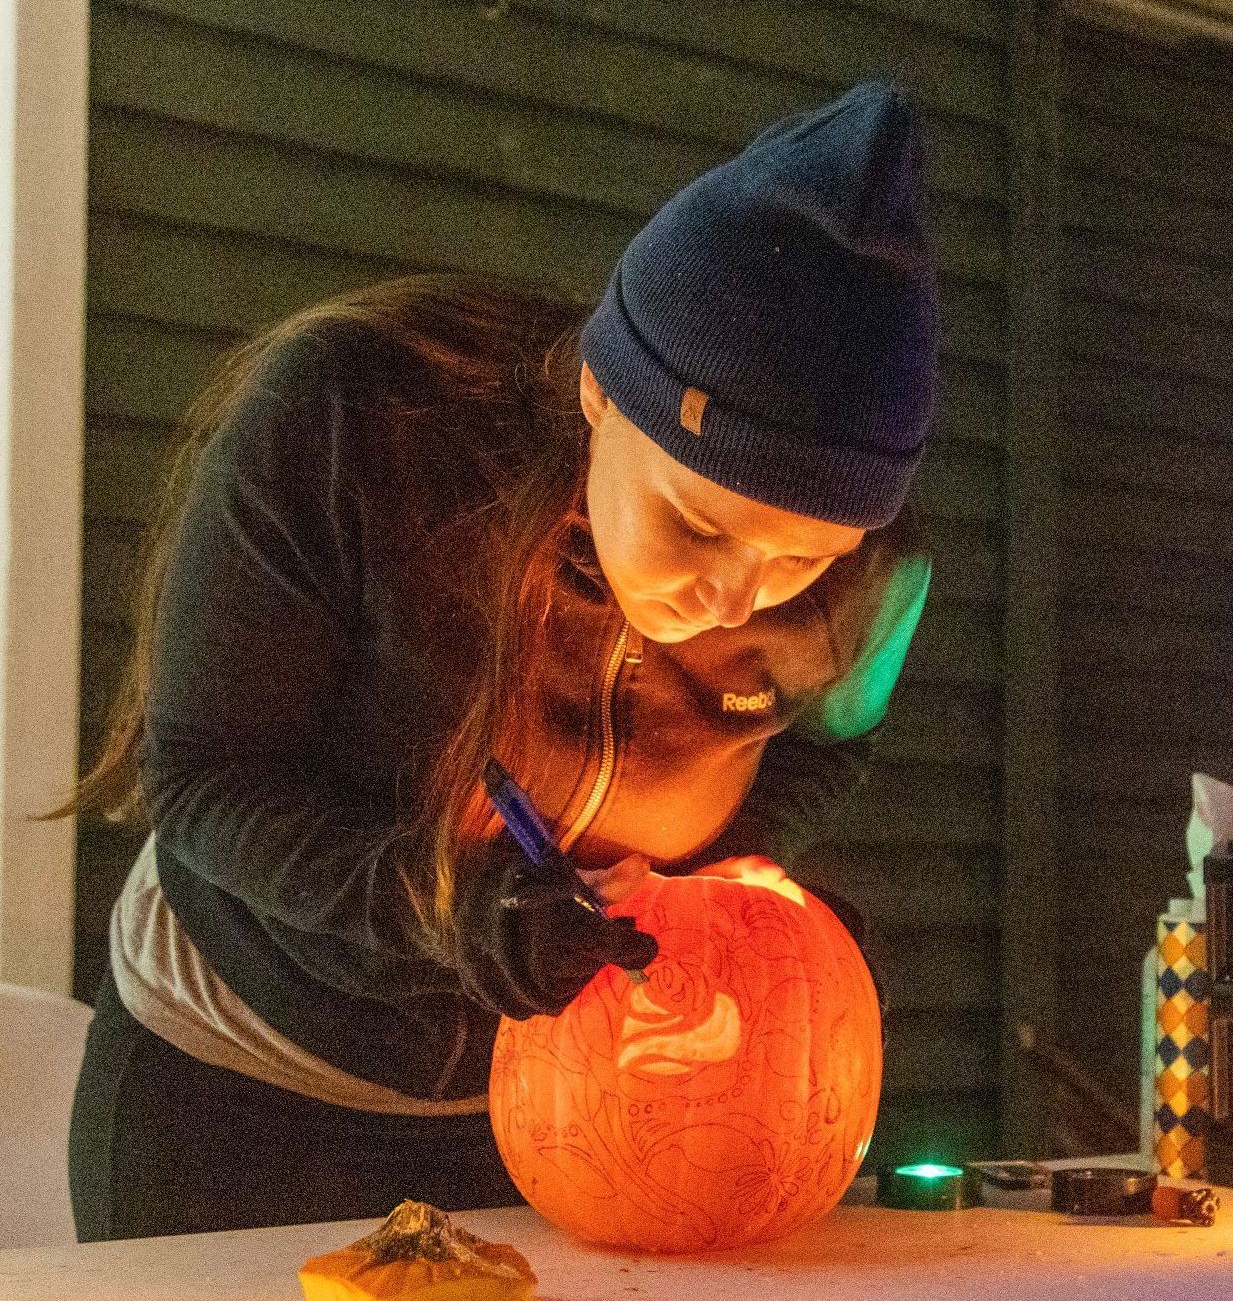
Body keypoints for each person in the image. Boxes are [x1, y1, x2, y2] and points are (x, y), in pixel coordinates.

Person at [55, 82, 937, 1242]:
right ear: (598, 394)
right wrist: (447, 904)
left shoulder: (864, 586)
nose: (734, 595)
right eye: (698, 525)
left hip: (552, 1112)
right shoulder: (351, 426)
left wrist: (725, 890)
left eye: (800, 561)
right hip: (244, 1087)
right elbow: (206, 782)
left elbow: (836, 736)